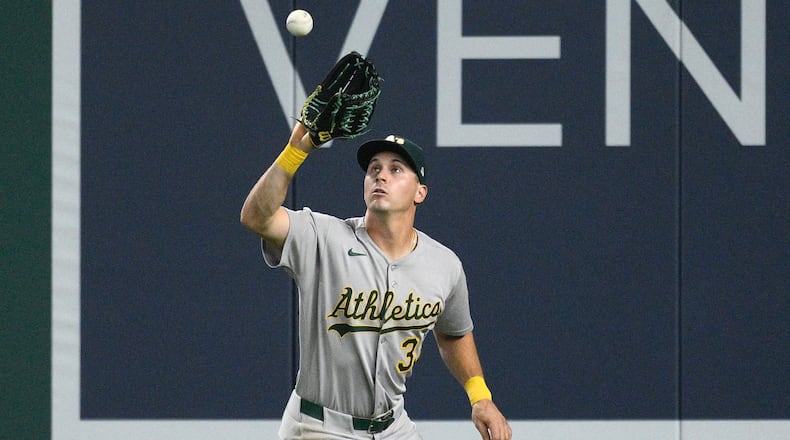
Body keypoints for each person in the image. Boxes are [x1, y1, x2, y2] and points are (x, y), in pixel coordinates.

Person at [241, 122, 511, 440]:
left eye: (396, 169)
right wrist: (294, 153)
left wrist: (480, 397)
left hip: (393, 427)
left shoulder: (444, 265)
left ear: (420, 192)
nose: (381, 176)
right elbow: (256, 216)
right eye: (373, 169)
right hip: (319, 427)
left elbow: (453, 333)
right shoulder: (323, 237)